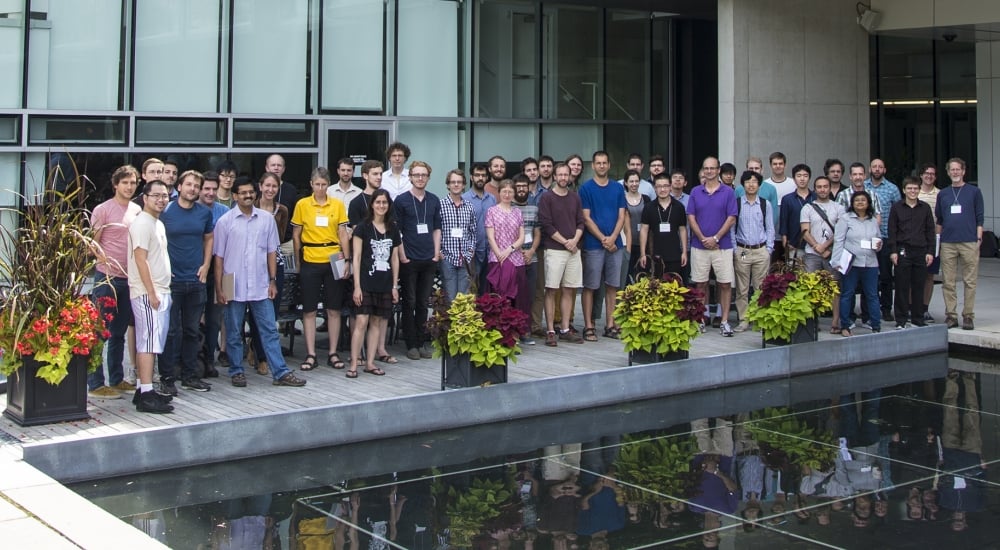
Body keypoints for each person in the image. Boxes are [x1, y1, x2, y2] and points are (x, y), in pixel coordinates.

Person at [213, 178, 307, 388]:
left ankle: (280, 372)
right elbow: (218, 257)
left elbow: (272, 252)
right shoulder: (225, 222)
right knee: (234, 330)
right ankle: (237, 370)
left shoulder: (266, 220)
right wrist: (219, 288)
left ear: (255, 194)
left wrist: (273, 280)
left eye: (250, 192)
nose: (247, 195)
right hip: (231, 281)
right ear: (235, 196)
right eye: (242, 192)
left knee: (269, 330)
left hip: (261, 281)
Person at [88, 165, 141, 400]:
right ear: (115, 184)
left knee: (119, 331)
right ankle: (96, 383)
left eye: (133, 183)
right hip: (107, 278)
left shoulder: (138, 210)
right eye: (125, 182)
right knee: (100, 332)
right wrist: (106, 264)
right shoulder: (103, 210)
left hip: (129, 280)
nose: (129, 187)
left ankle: (117, 379)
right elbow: (92, 243)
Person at [159, 170, 214, 395]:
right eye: (188, 184)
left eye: (196, 186)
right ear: (179, 187)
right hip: (171, 282)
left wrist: (206, 265)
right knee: (171, 332)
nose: (192, 189)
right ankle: (167, 378)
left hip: (196, 280)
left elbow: (209, 238)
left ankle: (190, 376)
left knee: (192, 331)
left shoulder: (204, 213)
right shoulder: (166, 211)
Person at [291, 167, 351, 371]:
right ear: (311, 184)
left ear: (328, 185)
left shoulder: (337, 204)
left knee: (333, 308)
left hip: (334, 255)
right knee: (308, 309)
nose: (320, 188)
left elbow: (342, 232)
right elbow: (297, 234)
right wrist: (299, 261)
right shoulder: (302, 205)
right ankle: (311, 353)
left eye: (324, 184)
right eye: (317, 184)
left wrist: (347, 259)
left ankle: (333, 352)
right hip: (310, 256)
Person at [127, 180, 174, 413]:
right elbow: (140, 259)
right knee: (148, 342)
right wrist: (152, 292)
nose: (161, 199)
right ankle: (146, 395)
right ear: (144, 197)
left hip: (160, 290)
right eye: (156, 195)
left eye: (165, 195)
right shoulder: (142, 224)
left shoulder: (157, 223)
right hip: (148, 293)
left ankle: (142, 388)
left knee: (152, 341)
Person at [349, 189, 401, 378]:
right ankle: (354, 363)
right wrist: (356, 286)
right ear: (372, 204)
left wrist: (394, 286)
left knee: (377, 322)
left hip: (385, 282)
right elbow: (356, 257)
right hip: (365, 281)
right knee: (361, 321)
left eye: (384, 203)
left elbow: (395, 259)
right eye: (378, 202)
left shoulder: (392, 228)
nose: (381, 206)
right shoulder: (363, 227)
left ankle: (370, 363)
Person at [687, 157, 738, 337]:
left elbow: (731, 217)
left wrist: (715, 238)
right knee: (700, 283)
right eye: (706, 168)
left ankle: (724, 321)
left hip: (722, 246)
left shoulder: (728, 192)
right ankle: (701, 319)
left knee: (724, 284)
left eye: (712, 168)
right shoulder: (695, 191)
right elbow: (691, 217)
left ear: (718, 171)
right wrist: (702, 238)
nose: (709, 171)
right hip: (699, 246)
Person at [396, 161, 442, 360]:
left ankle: (422, 342)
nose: (420, 178)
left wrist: (436, 252)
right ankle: (411, 343)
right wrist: (402, 255)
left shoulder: (434, 200)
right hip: (409, 258)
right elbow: (396, 230)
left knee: (424, 302)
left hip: (428, 258)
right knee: (410, 301)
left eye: (424, 175)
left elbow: (437, 228)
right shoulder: (401, 200)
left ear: (428, 177)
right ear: (410, 177)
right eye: (416, 175)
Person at [246, 172, 290, 376]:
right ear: (260, 186)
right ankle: (259, 353)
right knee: (254, 312)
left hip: (275, 262)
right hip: (253, 263)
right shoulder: (250, 207)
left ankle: (265, 353)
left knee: (270, 311)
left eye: (274, 186)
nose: (271, 190)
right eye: (267, 186)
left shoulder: (282, 210)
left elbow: (280, 238)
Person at [579, 151, 626, 341]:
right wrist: (603, 239)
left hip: (616, 245)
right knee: (590, 286)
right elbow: (586, 218)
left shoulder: (617, 188)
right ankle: (589, 326)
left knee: (613, 286)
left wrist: (613, 238)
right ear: (593, 165)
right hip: (593, 245)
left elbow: (622, 215)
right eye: (598, 163)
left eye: (604, 163)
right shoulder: (586, 188)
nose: (601, 166)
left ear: (609, 165)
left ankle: (610, 324)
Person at [538, 162, 585, 347]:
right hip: (555, 250)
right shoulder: (547, 198)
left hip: (574, 250)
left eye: (567, 175)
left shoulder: (575, 198)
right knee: (551, 290)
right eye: (561, 175)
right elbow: (546, 224)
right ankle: (550, 330)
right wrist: (566, 242)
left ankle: (565, 329)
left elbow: (581, 222)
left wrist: (574, 241)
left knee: (569, 289)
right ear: (555, 177)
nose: (564, 178)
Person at [935, 157, 984, 330]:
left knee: (970, 281)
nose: (955, 172)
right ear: (948, 172)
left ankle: (968, 316)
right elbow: (939, 220)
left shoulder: (974, 192)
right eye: (952, 170)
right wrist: (938, 242)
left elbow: (980, 217)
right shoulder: (943, 194)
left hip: (969, 241)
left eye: (958, 169)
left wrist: (978, 239)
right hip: (948, 242)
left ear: (963, 171)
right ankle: (951, 316)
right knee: (948, 281)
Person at [800, 176, 846, 332]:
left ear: (829, 188)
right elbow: (805, 231)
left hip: (833, 254)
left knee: (835, 288)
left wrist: (825, 246)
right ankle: (813, 322)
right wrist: (816, 246)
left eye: (825, 186)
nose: (823, 189)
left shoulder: (838, 208)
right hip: (811, 254)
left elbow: (840, 232)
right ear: (815, 189)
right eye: (819, 187)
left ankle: (835, 322)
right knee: (810, 288)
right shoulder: (807, 208)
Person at [888, 176, 935, 329]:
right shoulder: (896, 207)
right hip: (903, 251)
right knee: (901, 286)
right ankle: (901, 319)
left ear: (919, 190)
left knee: (918, 286)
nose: (913, 191)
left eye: (915, 188)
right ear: (904, 190)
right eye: (909, 188)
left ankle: (917, 318)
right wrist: (893, 251)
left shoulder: (925, 208)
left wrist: (930, 252)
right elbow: (892, 231)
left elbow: (930, 231)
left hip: (921, 251)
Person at [833, 191, 883, 336]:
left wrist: (879, 245)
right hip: (851, 264)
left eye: (863, 200)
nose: (860, 202)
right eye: (857, 200)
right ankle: (845, 326)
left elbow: (879, 238)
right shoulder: (845, 219)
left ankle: (876, 325)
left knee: (872, 294)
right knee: (847, 294)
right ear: (852, 203)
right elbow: (839, 240)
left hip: (871, 263)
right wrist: (836, 261)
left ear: (868, 203)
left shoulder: (873, 220)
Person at [732, 171, 774, 333]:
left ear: (759, 184)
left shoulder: (765, 204)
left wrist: (768, 249)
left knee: (760, 287)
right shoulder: (737, 203)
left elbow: (770, 228)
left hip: (760, 250)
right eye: (748, 182)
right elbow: (732, 229)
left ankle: (758, 318)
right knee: (742, 288)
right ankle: (743, 319)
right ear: (743, 184)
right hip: (742, 250)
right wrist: (735, 249)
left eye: (754, 181)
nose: (751, 185)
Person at [198, 170, 228, 377]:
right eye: (206, 188)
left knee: (217, 318)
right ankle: (195, 360)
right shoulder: (191, 209)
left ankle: (211, 360)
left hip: (224, 271)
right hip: (198, 270)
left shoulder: (224, 211)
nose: (210, 193)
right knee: (195, 319)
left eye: (213, 189)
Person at [865, 158, 902, 321]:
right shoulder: (863, 187)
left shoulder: (892, 189)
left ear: (884, 170)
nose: (877, 169)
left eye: (880, 167)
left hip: (885, 236)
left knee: (886, 276)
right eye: (874, 167)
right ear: (870, 169)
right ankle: (866, 310)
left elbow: (898, 214)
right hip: (866, 238)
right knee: (867, 274)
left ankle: (886, 309)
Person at [486, 179, 527, 310]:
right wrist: (499, 255)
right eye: (504, 191)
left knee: (518, 296)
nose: (507, 194)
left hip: (516, 259)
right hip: (497, 258)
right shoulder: (491, 211)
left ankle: (516, 327)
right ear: (499, 193)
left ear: (514, 194)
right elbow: (490, 237)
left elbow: (522, 237)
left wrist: (509, 250)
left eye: (510, 191)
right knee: (498, 296)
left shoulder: (518, 212)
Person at [639, 172, 687, 277]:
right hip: (655, 255)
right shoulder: (649, 207)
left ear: (670, 187)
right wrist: (643, 254)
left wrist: (684, 252)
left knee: (675, 288)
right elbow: (644, 230)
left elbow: (682, 229)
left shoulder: (679, 207)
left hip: (675, 255)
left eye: (665, 186)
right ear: (655, 188)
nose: (662, 189)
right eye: (659, 186)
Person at [439, 169, 477, 302]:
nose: (456, 185)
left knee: (464, 298)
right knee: (450, 297)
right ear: (448, 185)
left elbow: (473, 231)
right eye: (453, 182)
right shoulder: (440, 205)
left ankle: (462, 323)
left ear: (464, 185)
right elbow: (436, 230)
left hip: (465, 258)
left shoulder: (469, 207)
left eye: (459, 182)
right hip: (447, 258)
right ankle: (450, 324)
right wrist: (438, 251)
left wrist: (471, 250)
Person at [513, 174, 542, 345]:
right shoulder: (509, 209)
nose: (522, 189)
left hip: (532, 258)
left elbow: (537, 233)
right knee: (515, 296)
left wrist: (531, 252)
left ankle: (525, 330)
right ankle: (513, 330)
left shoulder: (534, 209)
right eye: (519, 186)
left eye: (525, 186)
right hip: (514, 259)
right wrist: (519, 254)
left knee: (529, 296)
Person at [462, 163, 496, 296]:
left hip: (489, 249)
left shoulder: (492, 199)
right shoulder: (464, 199)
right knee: (471, 287)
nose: (480, 178)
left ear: (487, 177)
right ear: (471, 177)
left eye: (483, 175)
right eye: (477, 175)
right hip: (472, 251)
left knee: (486, 287)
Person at [778, 164, 815, 262]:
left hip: (814, 246)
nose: (802, 179)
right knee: (793, 275)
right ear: (794, 179)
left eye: (805, 176)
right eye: (799, 176)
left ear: (809, 178)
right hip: (794, 245)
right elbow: (784, 221)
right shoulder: (787, 199)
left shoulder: (815, 197)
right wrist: (785, 242)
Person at [917, 163, 940, 323]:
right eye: (926, 173)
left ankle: (924, 308)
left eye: (932, 174)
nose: (929, 176)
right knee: (913, 275)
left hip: (932, 240)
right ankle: (912, 307)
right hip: (914, 240)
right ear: (921, 175)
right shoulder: (913, 192)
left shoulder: (941, 194)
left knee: (929, 276)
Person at [622, 169, 649, 283]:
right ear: (626, 183)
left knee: (642, 276)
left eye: (636, 181)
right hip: (627, 244)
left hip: (643, 244)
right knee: (626, 277)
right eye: (631, 181)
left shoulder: (646, 199)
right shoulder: (621, 200)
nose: (634, 184)